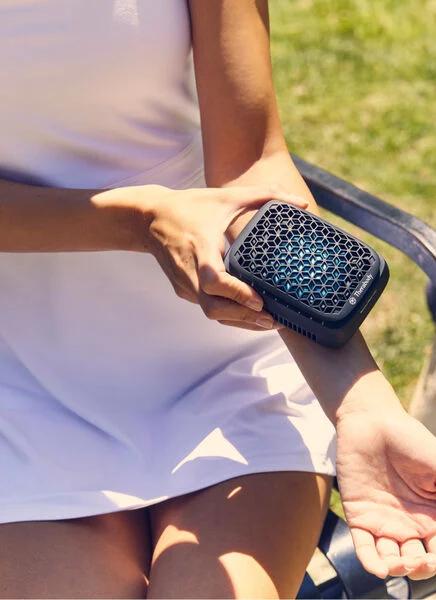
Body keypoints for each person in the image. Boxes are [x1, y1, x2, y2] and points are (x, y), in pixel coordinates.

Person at [0, 1, 435, 598]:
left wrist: (359, 401)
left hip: (231, 369)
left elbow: (254, 171)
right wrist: (139, 220)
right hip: (20, 380)